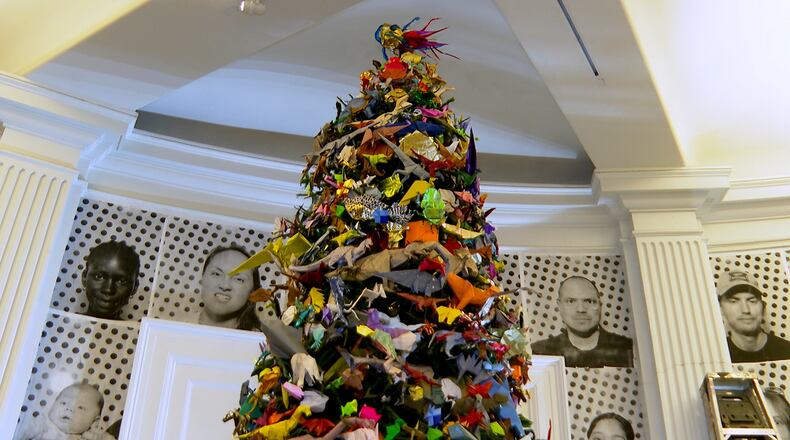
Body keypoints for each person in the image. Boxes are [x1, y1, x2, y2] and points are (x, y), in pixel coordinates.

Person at [531, 276, 633, 367]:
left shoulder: (627, 347)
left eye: (589, 301)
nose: (581, 309)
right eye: (571, 301)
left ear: (599, 304)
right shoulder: (539, 352)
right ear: (559, 305)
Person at [717, 271, 790, 362]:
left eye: (752, 301)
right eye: (734, 301)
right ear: (720, 309)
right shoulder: (716, 357)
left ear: (763, 307)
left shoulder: (786, 351)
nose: (746, 310)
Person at [198, 245, 262, 331]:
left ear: (253, 292)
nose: (225, 286)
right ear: (202, 278)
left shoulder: (259, 340)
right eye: (216, 274)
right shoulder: (178, 322)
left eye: (239, 279)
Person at [18, 382, 114, 440]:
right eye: (63, 403)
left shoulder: (95, 435)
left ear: (94, 421)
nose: (69, 408)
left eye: (80, 407)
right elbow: (20, 431)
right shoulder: (43, 425)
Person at [82, 241, 140, 320]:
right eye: (99, 276)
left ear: (135, 288)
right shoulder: (63, 326)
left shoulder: (137, 332)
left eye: (122, 281)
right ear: (84, 277)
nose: (108, 289)